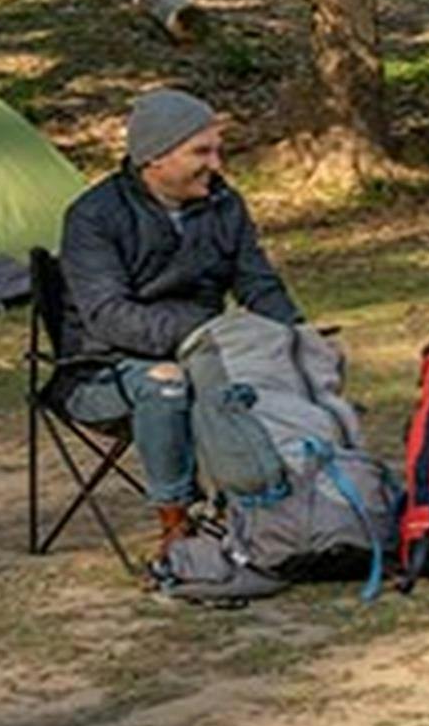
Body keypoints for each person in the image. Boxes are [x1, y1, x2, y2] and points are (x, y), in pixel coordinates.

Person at [57, 88, 314, 557]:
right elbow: (109, 317)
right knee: (166, 383)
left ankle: (284, 508)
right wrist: (202, 334)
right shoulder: (93, 217)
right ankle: (178, 527)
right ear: (154, 158)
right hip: (101, 371)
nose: (217, 164)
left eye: (217, 149)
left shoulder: (224, 204)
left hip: (208, 357)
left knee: (287, 364)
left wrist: (298, 336)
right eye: (201, 151)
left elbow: (258, 284)